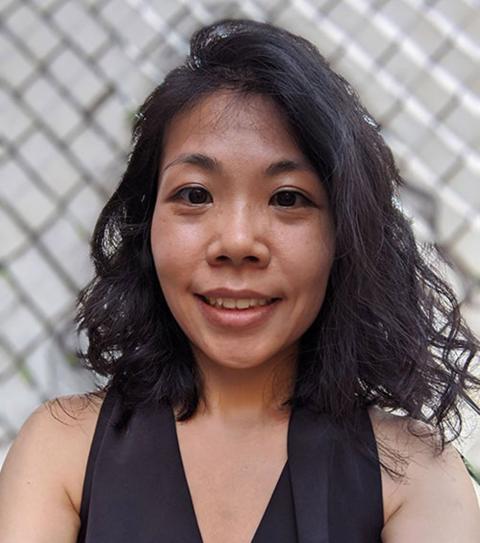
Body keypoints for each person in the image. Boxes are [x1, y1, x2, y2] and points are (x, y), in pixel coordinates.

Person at [0, 17, 479, 543]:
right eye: (195, 195)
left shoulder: (414, 478)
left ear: (344, 235)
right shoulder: (60, 451)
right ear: (145, 224)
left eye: (288, 198)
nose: (236, 241)